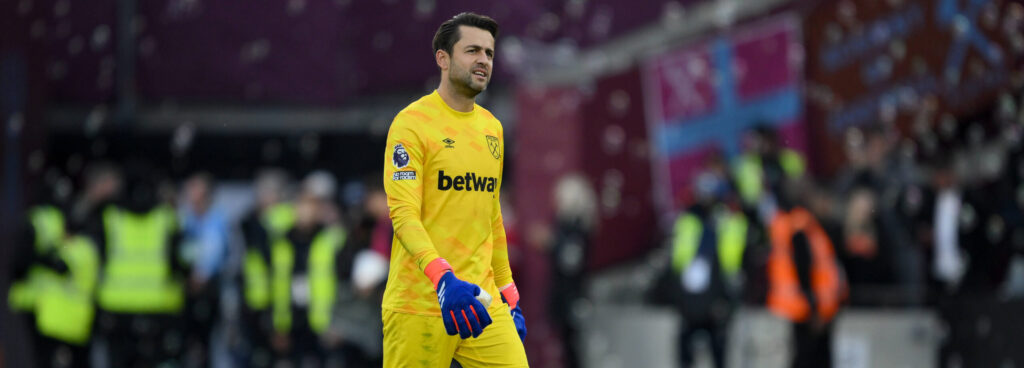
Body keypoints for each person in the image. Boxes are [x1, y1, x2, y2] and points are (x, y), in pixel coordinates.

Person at [381, 12, 528, 367]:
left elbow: (490, 215)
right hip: (421, 303)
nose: (483, 60)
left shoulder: (492, 128)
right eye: (472, 50)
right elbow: (403, 216)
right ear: (443, 59)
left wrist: (508, 290)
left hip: (482, 300)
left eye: (490, 53)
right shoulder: (411, 124)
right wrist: (443, 279)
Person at [670, 172, 747, 368]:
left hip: (718, 286)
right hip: (692, 291)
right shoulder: (688, 220)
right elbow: (679, 259)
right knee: (686, 344)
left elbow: (734, 256)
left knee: (718, 345)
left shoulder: (728, 220)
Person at [766, 180, 846, 368]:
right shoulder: (801, 226)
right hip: (807, 311)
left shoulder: (806, 225)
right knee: (807, 359)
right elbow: (804, 271)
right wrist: (814, 307)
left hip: (811, 309)